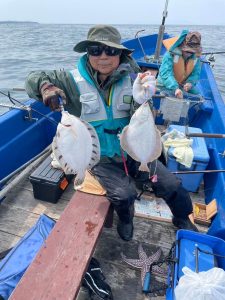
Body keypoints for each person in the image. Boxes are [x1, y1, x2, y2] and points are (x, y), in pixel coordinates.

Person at [25, 24, 198, 242]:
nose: (103, 56)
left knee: (172, 185)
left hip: (135, 151)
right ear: (88, 54)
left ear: (121, 53)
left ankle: (182, 217)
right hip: (101, 157)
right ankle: (126, 219)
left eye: (111, 51)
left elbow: (143, 119)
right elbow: (33, 77)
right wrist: (45, 87)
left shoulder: (135, 79)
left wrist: (144, 99)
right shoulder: (69, 80)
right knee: (124, 195)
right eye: (96, 50)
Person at [157, 30, 202, 99]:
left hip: (182, 84)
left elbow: (196, 74)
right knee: (166, 95)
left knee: (198, 96)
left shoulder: (196, 58)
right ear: (182, 47)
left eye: (192, 52)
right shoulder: (170, 55)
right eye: (187, 51)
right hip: (165, 84)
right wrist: (175, 88)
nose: (189, 54)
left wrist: (190, 83)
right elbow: (166, 74)